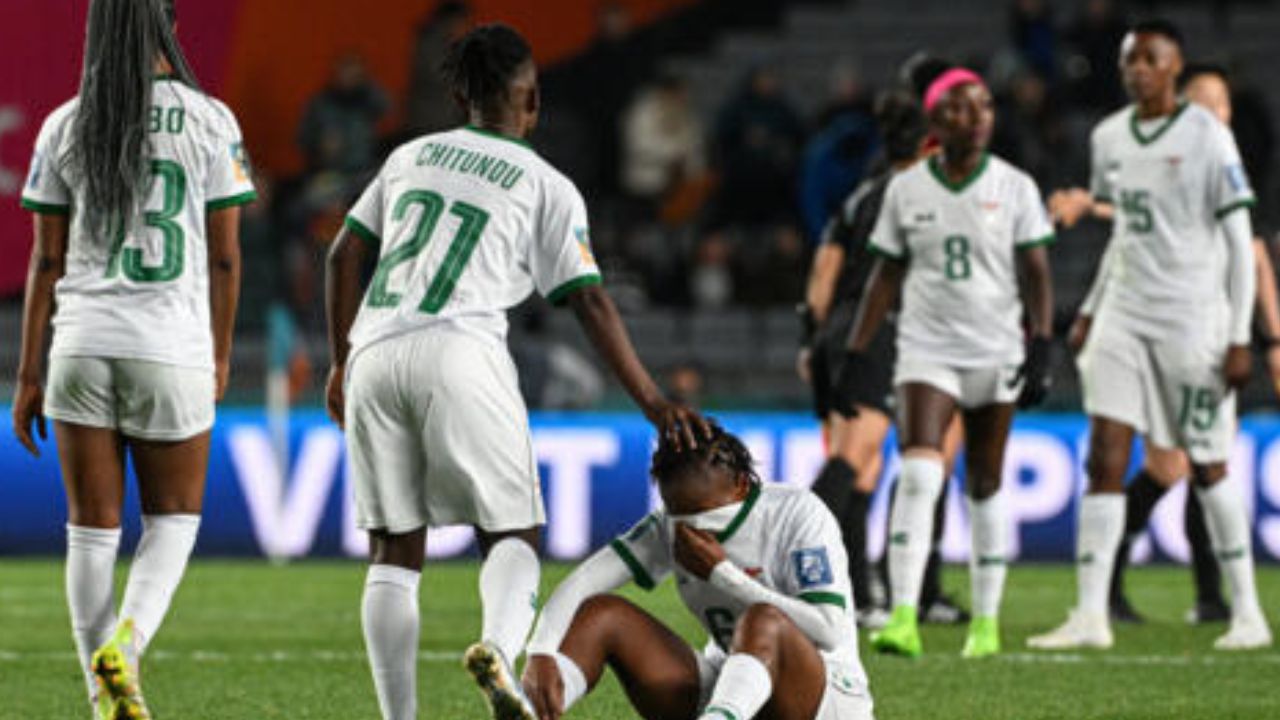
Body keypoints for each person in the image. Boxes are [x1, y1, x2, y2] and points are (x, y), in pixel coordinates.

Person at [323, 24, 708, 720]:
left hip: (374, 349)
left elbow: (341, 255)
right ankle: (499, 649)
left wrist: (342, 360)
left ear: (460, 97)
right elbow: (589, 300)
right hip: (461, 348)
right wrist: (654, 401)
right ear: (531, 100)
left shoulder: (410, 155)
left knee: (393, 551)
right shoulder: (545, 184)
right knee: (512, 533)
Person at [11, 0, 255, 717]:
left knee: (90, 531)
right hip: (170, 345)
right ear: (168, 28)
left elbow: (45, 262)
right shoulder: (211, 120)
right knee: (173, 521)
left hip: (81, 344)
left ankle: (103, 701)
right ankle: (130, 641)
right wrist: (218, 354)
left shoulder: (65, 122)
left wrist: (27, 374)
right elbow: (226, 257)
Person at [1029, 20, 1272, 651]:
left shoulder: (1208, 136)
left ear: (1174, 67)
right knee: (1105, 454)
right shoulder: (1108, 136)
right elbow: (1127, 233)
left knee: (1208, 463)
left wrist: (1240, 334)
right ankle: (1091, 615)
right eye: (1130, 59)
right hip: (1124, 315)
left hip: (1192, 318)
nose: (1138, 68)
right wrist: (1092, 309)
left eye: (1150, 59)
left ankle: (1247, 613)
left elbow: (1239, 241)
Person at [833, 68, 1056, 658]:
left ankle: (985, 621)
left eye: (984, 106)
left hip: (995, 349)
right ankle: (903, 616)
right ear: (935, 121)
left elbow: (1036, 271)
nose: (976, 117)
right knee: (920, 474)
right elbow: (884, 276)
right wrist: (855, 352)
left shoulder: (1015, 186)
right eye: (960, 108)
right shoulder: (906, 190)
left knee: (984, 483)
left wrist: (1042, 344)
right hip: (926, 349)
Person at [520, 422, 874, 720]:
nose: (693, 532)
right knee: (604, 614)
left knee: (763, 618)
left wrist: (724, 575)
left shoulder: (796, 513)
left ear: (741, 485)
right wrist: (541, 650)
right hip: (731, 690)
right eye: (680, 518)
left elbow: (828, 630)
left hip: (826, 699)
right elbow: (585, 580)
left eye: (708, 518)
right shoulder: (669, 526)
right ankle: (531, 712)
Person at [801, 89, 965, 628]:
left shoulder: (859, 198)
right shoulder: (927, 197)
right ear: (928, 145)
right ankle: (795, 563)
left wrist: (812, 340)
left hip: (839, 330)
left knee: (863, 466)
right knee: (868, 456)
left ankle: (855, 595)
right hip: (883, 330)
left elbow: (824, 273)